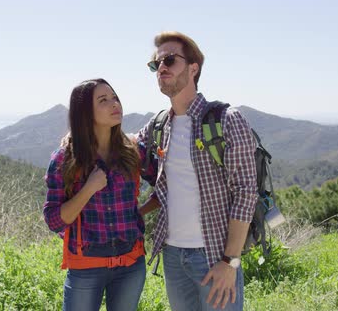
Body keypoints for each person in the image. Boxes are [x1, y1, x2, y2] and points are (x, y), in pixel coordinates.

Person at [138, 31, 258, 310]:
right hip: (172, 255)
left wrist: (230, 262)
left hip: (215, 254)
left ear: (193, 68)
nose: (162, 68)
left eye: (169, 60)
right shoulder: (159, 126)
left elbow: (245, 194)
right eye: (157, 64)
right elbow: (125, 147)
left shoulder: (227, 120)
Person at [43, 78, 155, 311]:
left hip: (131, 264)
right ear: (85, 113)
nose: (115, 104)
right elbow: (54, 220)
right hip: (86, 267)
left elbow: (165, 183)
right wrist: (88, 189)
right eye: (103, 100)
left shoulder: (133, 151)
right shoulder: (65, 159)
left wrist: (139, 213)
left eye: (115, 97)